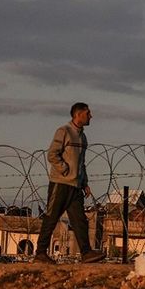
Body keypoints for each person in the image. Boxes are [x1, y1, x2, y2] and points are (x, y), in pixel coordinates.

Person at [34, 103, 105, 264]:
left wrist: (84, 182)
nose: (90, 116)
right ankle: (40, 253)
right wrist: (64, 169)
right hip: (60, 184)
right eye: (88, 113)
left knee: (80, 220)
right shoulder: (64, 131)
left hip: (75, 186)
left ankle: (86, 253)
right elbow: (52, 154)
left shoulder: (82, 137)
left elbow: (82, 162)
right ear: (78, 115)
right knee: (51, 218)